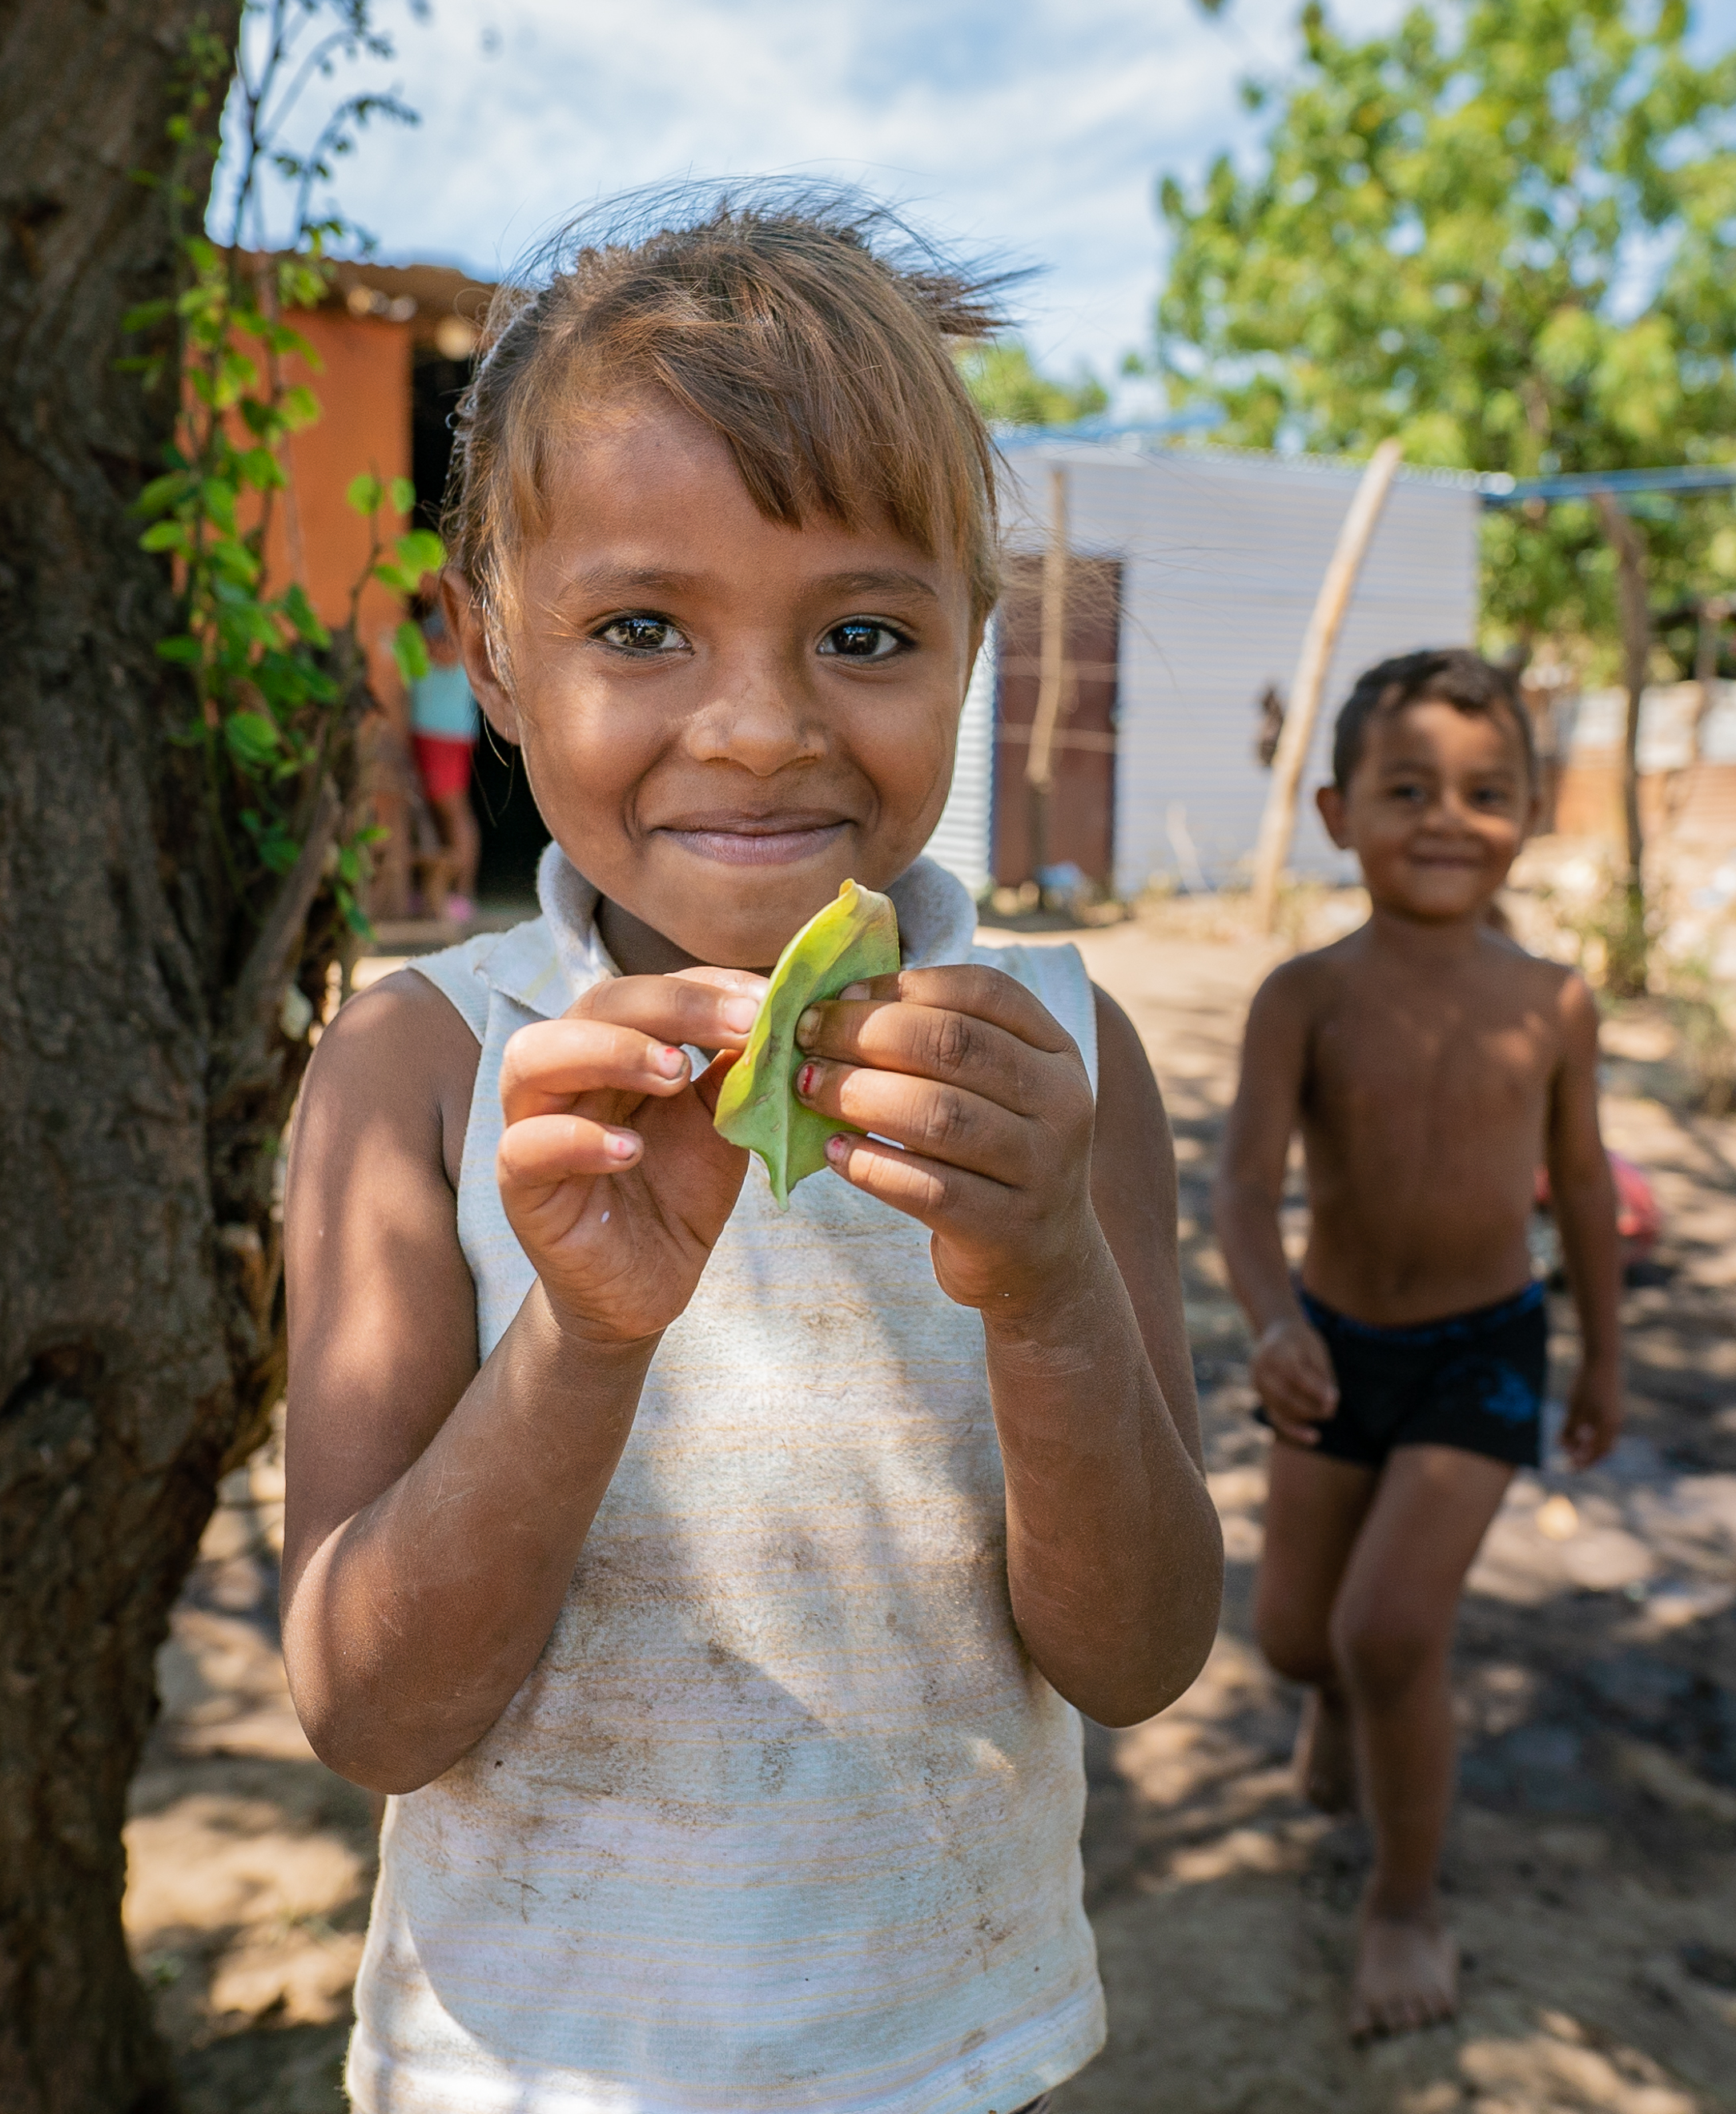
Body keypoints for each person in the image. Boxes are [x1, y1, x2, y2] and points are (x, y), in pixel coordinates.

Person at [280, 191, 1223, 2114]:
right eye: (639, 627)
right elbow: (372, 1712)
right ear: (495, 654)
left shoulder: (1052, 1066)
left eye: (861, 630)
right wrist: (586, 1337)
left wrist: (1043, 1281)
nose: (759, 725)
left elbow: (1135, 1656)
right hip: (520, 2077)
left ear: (973, 647)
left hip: (957, 2060)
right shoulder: (425, 1070)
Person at [1212, 647, 1625, 2042]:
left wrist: (1603, 1359)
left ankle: (1402, 1901)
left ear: (1529, 810)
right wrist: (1271, 1321)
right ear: (1335, 814)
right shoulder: (1304, 997)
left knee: (1390, 1632)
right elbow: (1239, 1190)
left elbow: (1580, 1188)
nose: (1447, 818)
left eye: (1485, 790)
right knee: (1291, 1639)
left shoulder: (1553, 999)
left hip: (1483, 1351)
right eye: (1406, 789)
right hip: (1331, 1349)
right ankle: (1335, 1697)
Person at [405, 585, 484, 924]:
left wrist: (407, 640)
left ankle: (462, 896)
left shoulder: (461, 613)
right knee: (433, 813)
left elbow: (449, 654)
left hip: (446, 730)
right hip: (431, 729)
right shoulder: (437, 615)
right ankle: (435, 895)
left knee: (453, 811)